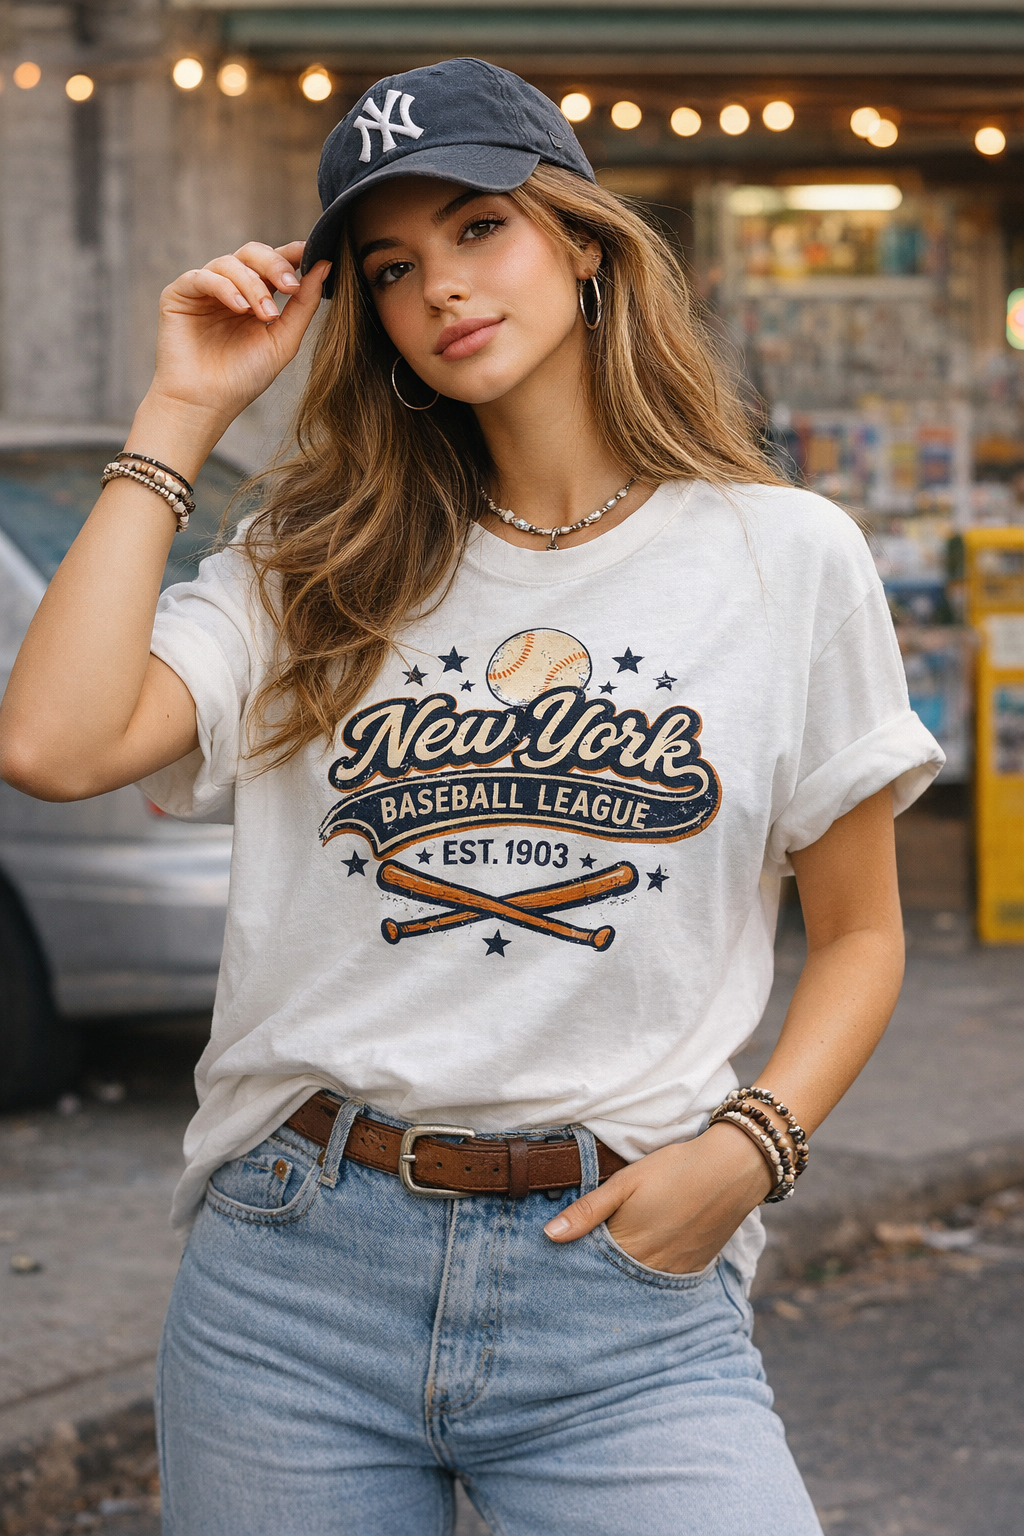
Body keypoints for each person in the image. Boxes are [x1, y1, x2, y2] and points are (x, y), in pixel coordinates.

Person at [0, 57, 942, 1536]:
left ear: (578, 239)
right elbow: (54, 746)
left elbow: (865, 935)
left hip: (623, 1282)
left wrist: (750, 1151)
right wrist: (181, 409)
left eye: (479, 230)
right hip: (296, 1273)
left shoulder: (784, 558)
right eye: (392, 267)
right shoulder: (313, 562)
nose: (440, 286)